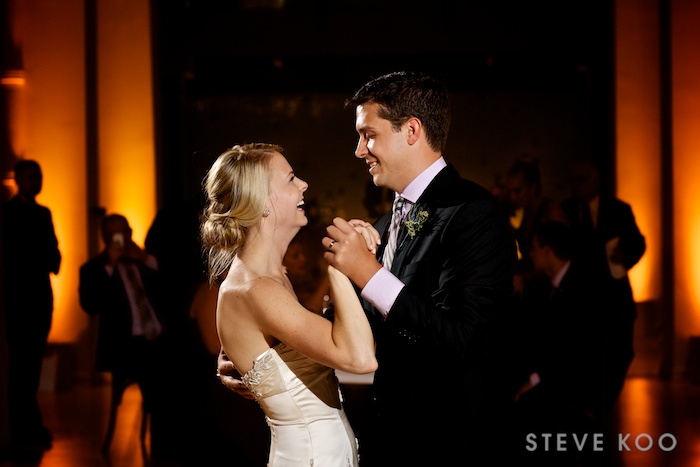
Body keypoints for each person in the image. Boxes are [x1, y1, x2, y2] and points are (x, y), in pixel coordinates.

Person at [220, 72, 519, 465]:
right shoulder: (380, 226)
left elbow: (464, 339)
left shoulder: (473, 213)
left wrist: (369, 274)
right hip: (387, 441)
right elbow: (343, 331)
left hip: (452, 443)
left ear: (412, 130)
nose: (359, 150)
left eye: (369, 135)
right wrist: (258, 354)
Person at [201, 143, 378, 466]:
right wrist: (340, 266)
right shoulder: (255, 289)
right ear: (262, 203)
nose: (304, 185)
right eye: (291, 178)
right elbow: (360, 358)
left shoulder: (273, 278)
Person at [513, 221, 609, 465]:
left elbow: (570, 351)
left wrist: (533, 380)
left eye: (534, 248)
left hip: (575, 385)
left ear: (547, 250)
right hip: (561, 377)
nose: (530, 253)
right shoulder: (553, 286)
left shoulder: (579, 288)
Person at [561, 159, 646, 409]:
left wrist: (625, 255)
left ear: (596, 180)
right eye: (573, 181)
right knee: (586, 360)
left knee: (619, 354)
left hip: (613, 300)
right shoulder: (565, 210)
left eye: (582, 180)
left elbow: (638, 243)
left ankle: (602, 407)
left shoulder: (618, 210)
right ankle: (591, 412)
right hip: (579, 301)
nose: (576, 186)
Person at [78, 213, 165, 452]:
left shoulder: (142, 262)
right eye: (114, 234)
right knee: (160, 370)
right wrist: (110, 266)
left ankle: (179, 439)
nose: (121, 238)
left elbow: (168, 288)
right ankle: (165, 444)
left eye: (125, 232)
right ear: (105, 237)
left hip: (158, 337)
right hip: (125, 344)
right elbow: (90, 305)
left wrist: (144, 258)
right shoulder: (93, 269)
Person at [1, 159, 61, 451]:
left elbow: (54, 258)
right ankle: (20, 429)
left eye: (39, 176)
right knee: (21, 368)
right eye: (31, 177)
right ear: (19, 180)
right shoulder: (9, 213)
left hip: (39, 299)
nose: (36, 181)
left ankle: (30, 426)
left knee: (32, 365)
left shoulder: (43, 213)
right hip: (19, 300)